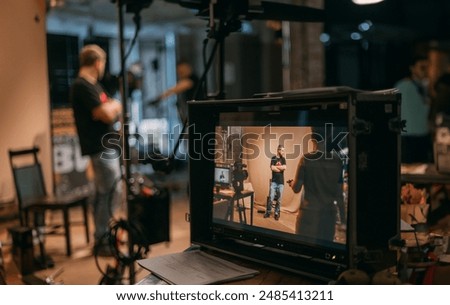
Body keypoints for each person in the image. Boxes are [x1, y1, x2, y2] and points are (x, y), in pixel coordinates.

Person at [70, 44, 123, 256]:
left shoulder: (94, 85)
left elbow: (110, 107)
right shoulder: (82, 86)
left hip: (106, 147)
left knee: (105, 193)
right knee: (110, 192)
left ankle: (104, 237)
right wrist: (114, 107)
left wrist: (112, 106)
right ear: (98, 63)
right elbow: (108, 114)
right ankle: (103, 240)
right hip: (100, 148)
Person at [288, 127, 344, 242]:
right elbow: (339, 195)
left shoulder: (306, 159)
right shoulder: (338, 162)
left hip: (309, 215)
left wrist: (291, 183)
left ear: (313, 139)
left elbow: (297, 188)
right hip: (328, 217)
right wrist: (344, 220)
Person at [394, 55, 432, 163]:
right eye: (422, 68)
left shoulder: (422, 87)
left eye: (427, 68)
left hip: (420, 134)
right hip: (409, 136)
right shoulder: (404, 86)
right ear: (412, 68)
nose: (425, 71)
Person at [150, 60, 203, 125]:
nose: (180, 74)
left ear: (188, 68)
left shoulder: (192, 79)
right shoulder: (189, 79)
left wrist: (159, 98)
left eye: (182, 72)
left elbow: (176, 89)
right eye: (179, 72)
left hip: (199, 111)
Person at [264, 145, 286, 220]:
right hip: (274, 182)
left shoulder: (283, 159)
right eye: (282, 150)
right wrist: (280, 168)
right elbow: (272, 168)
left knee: (279, 200)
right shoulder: (273, 158)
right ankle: (268, 212)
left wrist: (276, 167)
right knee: (271, 198)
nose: (283, 152)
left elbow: (284, 167)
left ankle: (276, 213)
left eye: (284, 150)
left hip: (281, 183)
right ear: (278, 150)